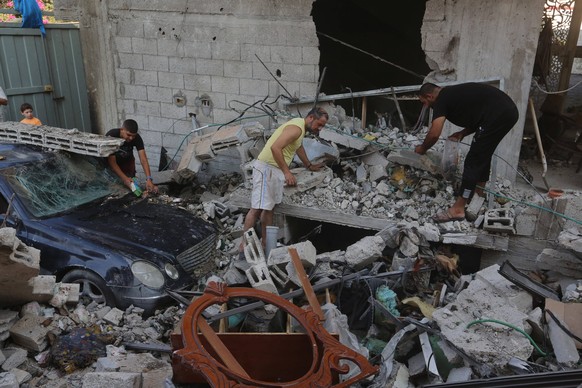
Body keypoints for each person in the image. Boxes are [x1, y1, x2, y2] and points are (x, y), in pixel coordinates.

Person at [415, 82, 518, 223]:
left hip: (499, 113)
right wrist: (462, 133)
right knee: (483, 153)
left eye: (424, 102)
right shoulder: (452, 94)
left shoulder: (441, 100)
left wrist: (422, 148)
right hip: (506, 111)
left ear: (429, 96)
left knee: (473, 159)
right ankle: (478, 195)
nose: (425, 106)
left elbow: (434, 134)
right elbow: (479, 115)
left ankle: (458, 209)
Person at [240, 107, 329, 253]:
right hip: (266, 169)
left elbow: (298, 146)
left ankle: (265, 244)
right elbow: (276, 148)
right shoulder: (296, 128)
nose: (319, 129)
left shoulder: (300, 129)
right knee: (256, 209)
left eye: (322, 126)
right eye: (319, 124)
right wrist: (287, 172)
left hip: (274, 170)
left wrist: (309, 165)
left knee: (269, 209)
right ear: (311, 118)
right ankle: (243, 245)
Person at [106, 119, 158, 194]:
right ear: (122, 129)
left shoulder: (137, 138)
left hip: (128, 163)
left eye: (133, 136)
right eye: (128, 135)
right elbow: (112, 162)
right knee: (115, 187)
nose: (131, 138)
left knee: (133, 187)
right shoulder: (111, 136)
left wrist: (149, 179)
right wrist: (125, 179)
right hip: (113, 165)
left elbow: (143, 159)